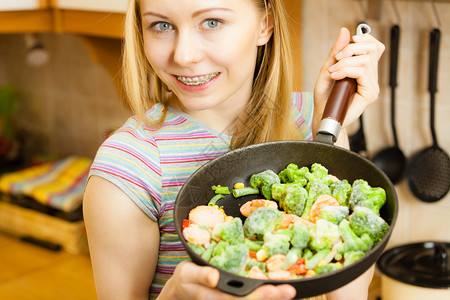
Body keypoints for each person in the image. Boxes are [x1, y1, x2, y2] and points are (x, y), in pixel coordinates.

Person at [83, 0, 385, 299]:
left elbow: (345, 290)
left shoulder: (312, 118)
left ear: (265, 25)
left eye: (212, 22)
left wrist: (333, 130)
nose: (185, 55)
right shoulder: (128, 167)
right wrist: (174, 296)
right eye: (161, 25)